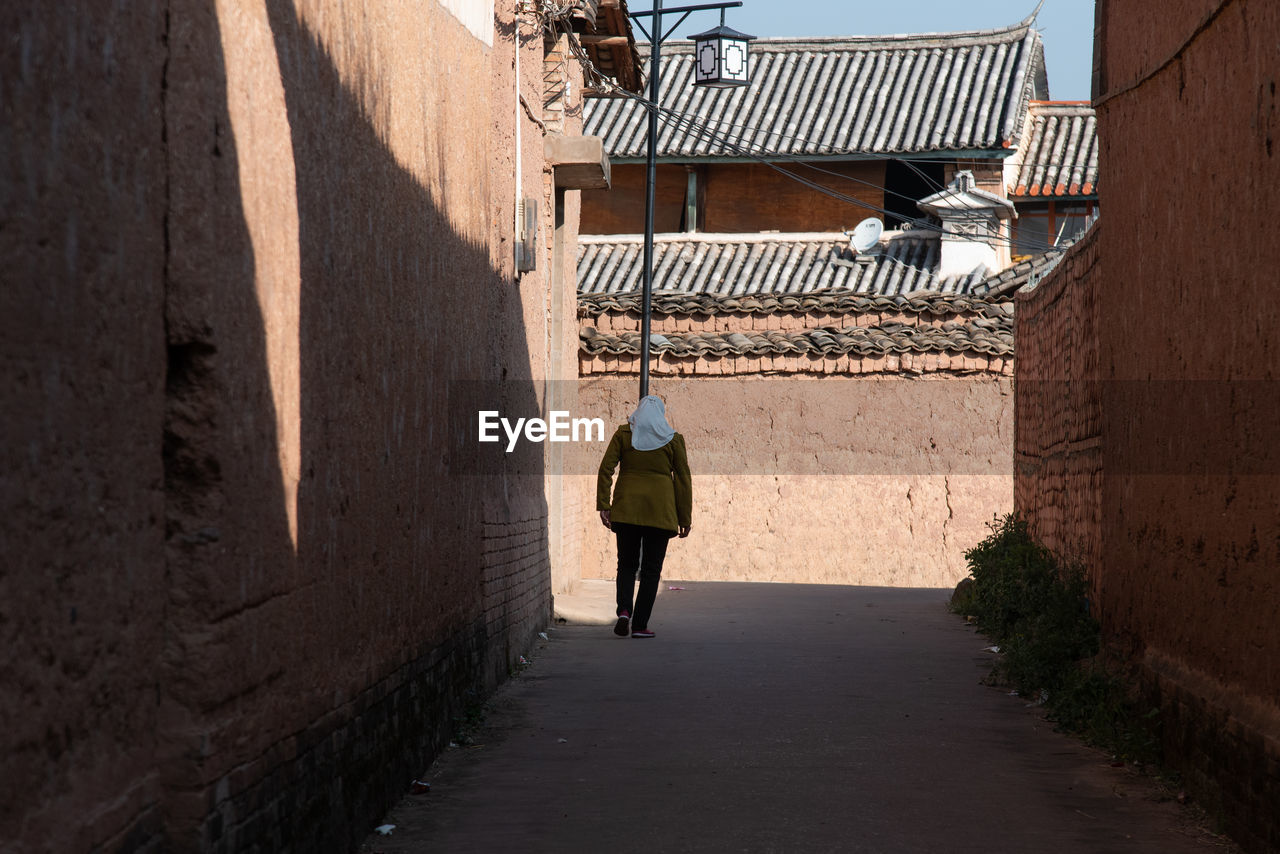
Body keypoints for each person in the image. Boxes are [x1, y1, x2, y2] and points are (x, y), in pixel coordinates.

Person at [597, 395, 692, 639]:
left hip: (626, 509)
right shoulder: (673, 439)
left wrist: (604, 504)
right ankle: (640, 626)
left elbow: (606, 468)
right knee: (651, 570)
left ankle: (624, 612)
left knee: (626, 565)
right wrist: (684, 518)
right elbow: (683, 480)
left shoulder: (623, 434)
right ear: (661, 414)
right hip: (660, 513)